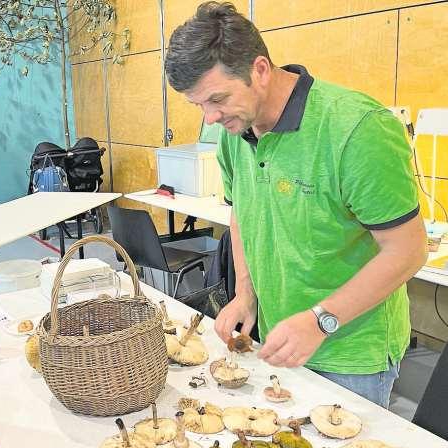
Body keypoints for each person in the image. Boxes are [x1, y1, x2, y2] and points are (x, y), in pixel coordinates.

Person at [165, 2, 427, 408]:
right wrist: (245, 294)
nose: (210, 118)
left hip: (350, 354)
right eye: (198, 105)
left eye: (217, 98)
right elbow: (242, 213)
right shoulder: (235, 133)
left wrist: (320, 321)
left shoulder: (358, 130)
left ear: (260, 70)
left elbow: (408, 251)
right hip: (277, 339)